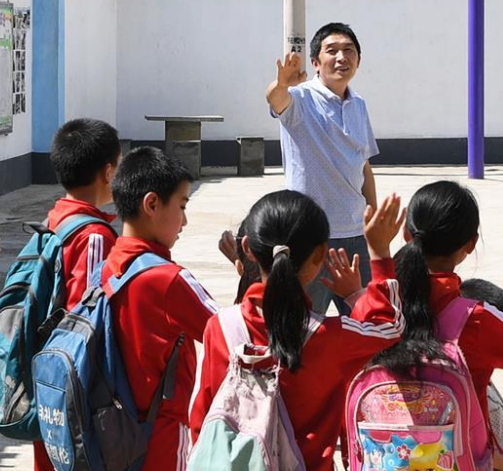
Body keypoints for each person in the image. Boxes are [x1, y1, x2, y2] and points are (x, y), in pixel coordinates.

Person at [189, 191, 405, 471]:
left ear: (248, 247)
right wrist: (377, 257)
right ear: (320, 254)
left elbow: (201, 417)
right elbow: (390, 326)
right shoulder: (328, 336)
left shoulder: (219, 326)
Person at [102, 146, 218, 470]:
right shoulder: (169, 280)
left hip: (113, 431)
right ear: (152, 204)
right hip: (162, 435)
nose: (185, 220)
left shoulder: (107, 267)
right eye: (181, 206)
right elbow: (232, 333)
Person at [266, 22, 378, 316]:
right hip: (311, 237)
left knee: (366, 324)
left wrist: (373, 219)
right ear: (316, 62)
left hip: (356, 236)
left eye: (349, 50)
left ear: (358, 60)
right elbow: (276, 99)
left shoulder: (359, 104)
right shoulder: (300, 98)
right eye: (332, 50)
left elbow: (364, 165)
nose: (342, 57)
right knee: (305, 326)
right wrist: (281, 84)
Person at [373, 180, 503, 424]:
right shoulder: (476, 319)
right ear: (471, 244)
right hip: (460, 448)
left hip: (380, 445)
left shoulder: (375, 305)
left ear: (406, 234)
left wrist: (378, 258)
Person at [35, 118, 121, 470]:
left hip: (50, 373)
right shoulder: (94, 235)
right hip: (76, 382)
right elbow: (86, 316)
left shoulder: (55, 220)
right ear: (108, 172)